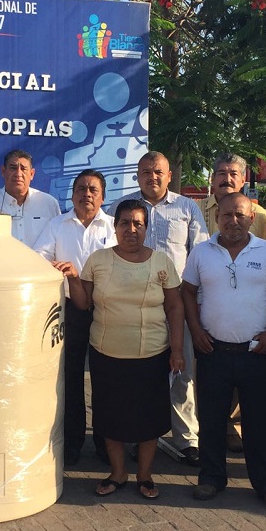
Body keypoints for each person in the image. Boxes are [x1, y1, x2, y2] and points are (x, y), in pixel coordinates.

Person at [60, 199, 185, 499]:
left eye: (138, 224)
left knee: (149, 418)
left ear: (146, 228)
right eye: (125, 223)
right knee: (109, 417)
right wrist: (74, 279)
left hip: (152, 354)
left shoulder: (161, 262)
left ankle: (145, 475)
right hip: (107, 353)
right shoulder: (98, 260)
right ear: (114, 228)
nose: (131, 229)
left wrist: (177, 349)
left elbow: (175, 306)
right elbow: (83, 303)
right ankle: (118, 473)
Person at [182, 193, 266, 510]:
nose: (233, 221)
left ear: (251, 218)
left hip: (255, 352)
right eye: (227, 215)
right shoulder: (202, 252)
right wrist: (196, 329)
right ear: (218, 218)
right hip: (213, 350)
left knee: (263, 423)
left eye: (240, 215)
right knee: (212, 420)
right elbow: (187, 292)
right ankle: (211, 478)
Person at [117, 151, 207, 465]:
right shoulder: (125, 207)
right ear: (137, 175)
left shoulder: (187, 207)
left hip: (177, 303)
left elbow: (199, 255)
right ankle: (132, 435)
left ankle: (186, 440)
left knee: (182, 372)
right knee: (136, 373)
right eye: (145, 172)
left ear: (169, 175)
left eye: (158, 172)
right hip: (133, 304)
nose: (152, 177)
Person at [34, 169, 116, 466]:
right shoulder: (57, 225)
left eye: (93, 189)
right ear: (72, 194)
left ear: (103, 196)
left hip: (107, 310)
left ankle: (107, 446)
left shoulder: (114, 227)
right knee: (70, 379)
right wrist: (56, 269)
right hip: (70, 310)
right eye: (81, 188)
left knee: (106, 378)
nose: (87, 194)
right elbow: (38, 258)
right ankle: (71, 444)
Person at [201, 154, 266, 453]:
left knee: (249, 389)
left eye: (233, 173)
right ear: (212, 179)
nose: (226, 179)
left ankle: (237, 430)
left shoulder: (261, 216)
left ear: (243, 180)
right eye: (220, 173)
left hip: (248, 310)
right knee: (208, 386)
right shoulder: (194, 209)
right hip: (206, 304)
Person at [0, 149, 61, 247]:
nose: (18, 174)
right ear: (3, 171)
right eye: (13, 168)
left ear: (32, 174)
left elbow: (59, 242)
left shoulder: (49, 203)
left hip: (38, 262)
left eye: (23, 169)